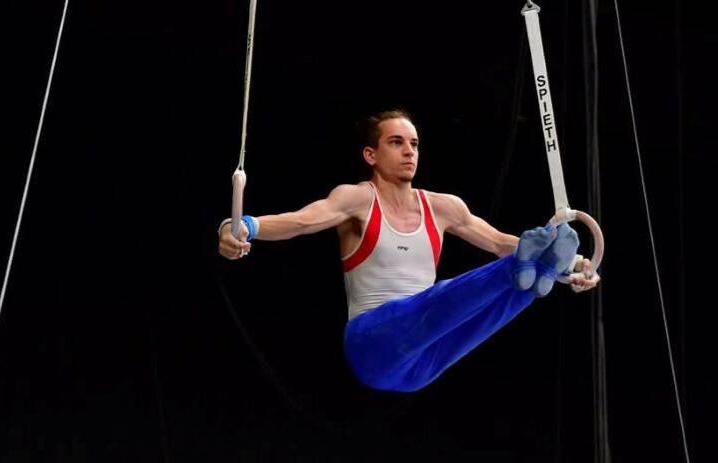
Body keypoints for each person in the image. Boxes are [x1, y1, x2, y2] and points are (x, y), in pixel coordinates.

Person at [218, 110, 600, 392]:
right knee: (451, 295)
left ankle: (549, 272)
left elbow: (500, 241)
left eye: (414, 143)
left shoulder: (444, 207)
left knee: (509, 294)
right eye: (396, 142)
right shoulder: (355, 199)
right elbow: (302, 221)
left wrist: (577, 266)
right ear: (371, 155)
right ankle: (530, 270)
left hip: (421, 364)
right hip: (372, 345)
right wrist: (243, 226)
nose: (409, 152)